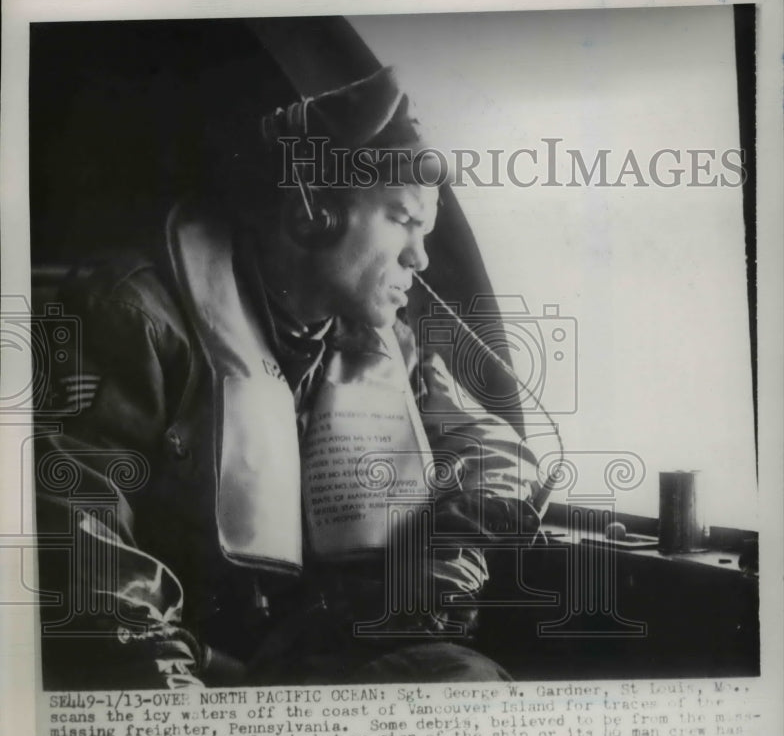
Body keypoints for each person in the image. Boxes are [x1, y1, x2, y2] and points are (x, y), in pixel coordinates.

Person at [35, 66, 542, 690]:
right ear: (312, 214)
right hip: (182, 663)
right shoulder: (134, 319)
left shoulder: (389, 347)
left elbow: (498, 454)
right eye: (401, 220)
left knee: (466, 689)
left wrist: (432, 570)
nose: (421, 258)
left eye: (426, 232)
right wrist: (173, 704)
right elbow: (80, 536)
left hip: (322, 652)